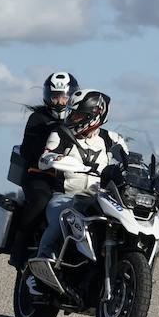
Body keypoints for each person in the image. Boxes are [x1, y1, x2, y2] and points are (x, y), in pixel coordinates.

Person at [27, 88, 127, 292]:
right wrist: (64, 161)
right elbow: (45, 158)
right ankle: (38, 271)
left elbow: (129, 164)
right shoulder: (61, 133)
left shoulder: (113, 140)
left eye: (79, 114)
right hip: (65, 196)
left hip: (100, 199)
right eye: (73, 112)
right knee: (60, 219)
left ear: (95, 115)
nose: (73, 117)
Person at [10, 71, 75, 270]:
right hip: (38, 175)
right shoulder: (37, 119)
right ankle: (18, 251)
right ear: (48, 96)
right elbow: (29, 150)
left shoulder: (77, 119)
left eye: (64, 96)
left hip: (67, 178)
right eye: (55, 96)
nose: (60, 101)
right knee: (40, 201)